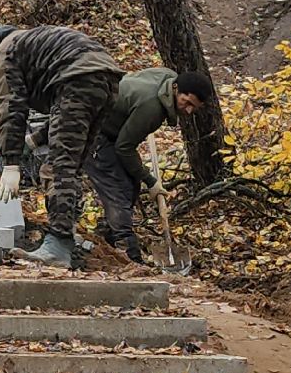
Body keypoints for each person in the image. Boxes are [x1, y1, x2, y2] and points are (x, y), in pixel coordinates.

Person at [0, 23, 124, 268]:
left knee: (57, 169)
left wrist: (11, 163)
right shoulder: (31, 44)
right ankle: (67, 236)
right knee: (71, 167)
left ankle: (58, 244)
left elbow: (10, 109)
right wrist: (32, 141)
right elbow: (63, 113)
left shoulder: (4, 51)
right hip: (107, 78)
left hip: (76, 79)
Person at [84, 68, 215, 262]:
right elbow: (124, 148)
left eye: (194, 107)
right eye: (186, 102)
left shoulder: (167, 77)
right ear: (176, 89)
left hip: (110, 127)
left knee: (131, 184)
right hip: (92, 130)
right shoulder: (152, 108)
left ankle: (106, 238)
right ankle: (128, 252)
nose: (188, 110)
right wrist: (150, 181)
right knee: (119, 188)